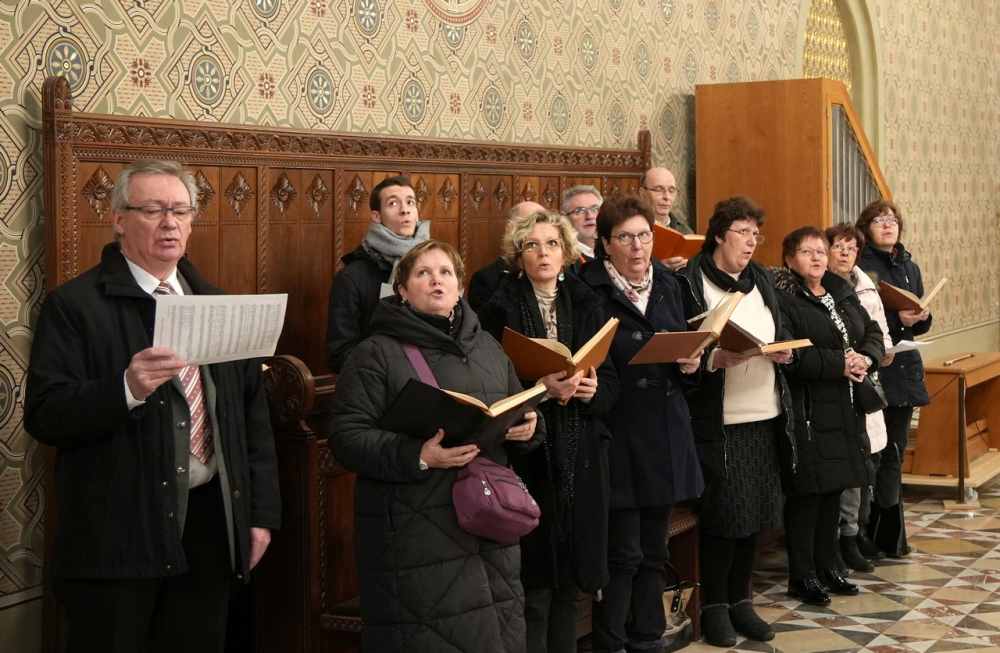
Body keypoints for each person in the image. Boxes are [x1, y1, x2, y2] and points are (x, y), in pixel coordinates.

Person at [24, 160, 281, 651]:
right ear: (119, 219)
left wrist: (259, 515)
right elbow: (44, 415)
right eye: (153, 210)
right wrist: (125, 387)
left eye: (181, 211)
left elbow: (252, 422)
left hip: (209, 526)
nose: (170, 223)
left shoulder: (217, 304)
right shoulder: (74, 306)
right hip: (118, 533)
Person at [329, 240, 543, 653]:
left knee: (498, 635)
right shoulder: (375, 353)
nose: (436, 280)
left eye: (445, 272)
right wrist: (419, 455)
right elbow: (347, 438)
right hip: (415, 529)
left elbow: (518, 405)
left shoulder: (487, 346)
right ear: (402, 290)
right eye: (422, 273)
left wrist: (529, 427)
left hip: (489, 523)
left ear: (460, 286)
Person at [479, 209, 619, 653]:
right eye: (532, 245)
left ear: (566, 253)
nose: (543, 252)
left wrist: (593, 389)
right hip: (528, 458)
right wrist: (540, 389)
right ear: (518, 257)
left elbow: (611, 385)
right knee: (534, 588)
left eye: (552, 244)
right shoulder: (497, 310)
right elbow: (488, 389)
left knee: (570, 587)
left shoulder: (587, 302)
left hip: (581, 458)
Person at [581, 194, 704, 653]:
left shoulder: (669, 282)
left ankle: (648, 636)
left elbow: (683, 345)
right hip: (619, 430)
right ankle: (611, 642)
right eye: (626, 237)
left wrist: (691, 364)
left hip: (666, 429)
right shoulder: (588, 287)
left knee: (655, 550)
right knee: (622, 554)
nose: (638, 247)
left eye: (645, 236)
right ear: (605, 243)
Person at [675, 196, 792, 646]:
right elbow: (682, 349)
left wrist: (783, 349)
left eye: (755, 234)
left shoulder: (760, 278)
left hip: (765, 412)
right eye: (743, 232)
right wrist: (713, 359)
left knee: (755, 516)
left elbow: (778, 327)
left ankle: (742, 601)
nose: (751, 241)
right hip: (720, 420)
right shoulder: (690, 280)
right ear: (720, 235)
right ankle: (716, 606)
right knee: (725, 518)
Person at [772, 227, 884, 607]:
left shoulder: (840, 291)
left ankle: (828, 566)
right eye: (807, 252)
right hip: (807, 409)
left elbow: (871, 331)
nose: (817, 257)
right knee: (808, 494)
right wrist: (841, 363)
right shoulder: (783, 299)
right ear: (789, 259)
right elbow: (792, 354)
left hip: (845, 406)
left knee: (834, 489)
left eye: (821, 251)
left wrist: (865, 358)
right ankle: (802, 576)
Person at [856, 199, 930, 558]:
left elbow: (919, 323)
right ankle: (863, 532)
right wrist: (898, 318)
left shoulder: (908, 265)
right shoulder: (862, 266)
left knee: (895, 453)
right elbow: (863, 318)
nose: (888, 225)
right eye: (879, 220)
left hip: (905, 368)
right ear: (866, 228)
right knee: (872, 453)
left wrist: (922, 316)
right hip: (878, 368)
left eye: (892, 220)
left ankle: (891, 535)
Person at [825, 224, 893, 573]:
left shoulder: (863, 286)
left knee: (867, 464)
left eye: (851, 248)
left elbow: (877, 332)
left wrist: (869, 356)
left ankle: (856, 533)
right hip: (832, 388)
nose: (845, 253)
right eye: (838, 246)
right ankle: (840, 539)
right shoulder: (819, 288)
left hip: (864, 383)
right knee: (844, 469)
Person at [325, 175, 431, 373]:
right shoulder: (351, 279)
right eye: (393, 203)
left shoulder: (438, 267)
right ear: (377, 216)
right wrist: (390, 363)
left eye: (410, 202)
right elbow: (339, 355)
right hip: (380, 379)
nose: (405, 210)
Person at [467, 201, 546, 312]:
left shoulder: (562, 277)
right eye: (529, 224)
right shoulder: (485, 280)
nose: (538, 230)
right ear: (510, 229)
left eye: (543, 223)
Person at [639, 167, 692, 271]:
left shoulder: (686, 232)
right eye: (659, 190)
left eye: (672, 190)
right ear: (642, 193)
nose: (667, 197)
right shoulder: (632, 231)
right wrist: (660, 268)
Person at [561, 185, 603, 261]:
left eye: (595, 208)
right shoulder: (563, 257)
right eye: (580, 210)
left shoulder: (614, 250)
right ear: (565, 219)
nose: (589, 216)